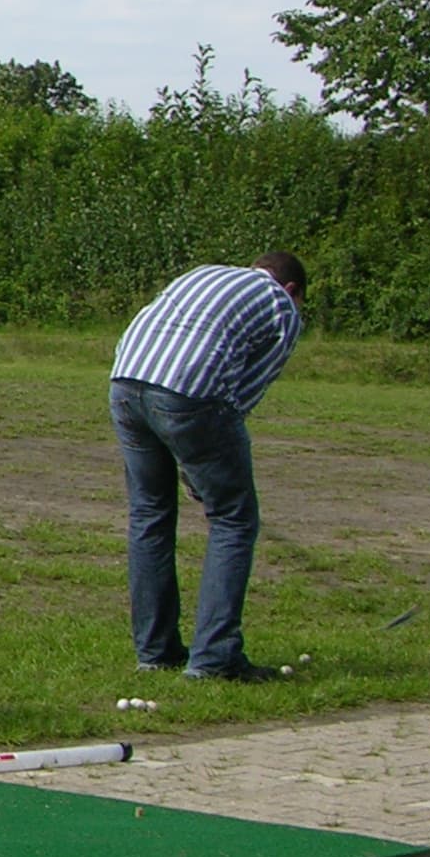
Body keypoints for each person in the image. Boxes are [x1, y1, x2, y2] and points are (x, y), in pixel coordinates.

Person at [109, 254, 307, 682]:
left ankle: (156, 651)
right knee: (234, 519)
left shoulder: (204, 274)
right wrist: (203, 465)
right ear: (292, 290)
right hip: (189, 393)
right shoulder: (281, 305)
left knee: (150, 515)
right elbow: (244, 393)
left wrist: (192, 461)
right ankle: (215, 658)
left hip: (125, 382)